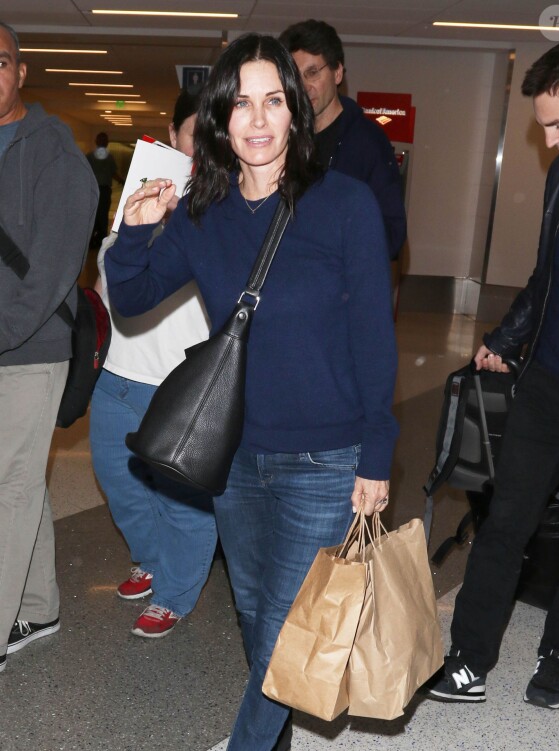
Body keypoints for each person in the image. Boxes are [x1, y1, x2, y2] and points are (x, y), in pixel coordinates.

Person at [105, 33, 398, 751]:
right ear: (219, 121)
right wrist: (135, 231)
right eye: (241, 103)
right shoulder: (204, 214)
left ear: (295, 113)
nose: (258, 119)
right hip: (233, 456)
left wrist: (377, 454)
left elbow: (373, 336)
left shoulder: (344, 204)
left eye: (274, 100)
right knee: (252, 610)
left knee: (279, 631)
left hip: (325, 460)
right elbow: (134, 294)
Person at [427, 34, 559, 710]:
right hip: (548, 382)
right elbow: (546, 278)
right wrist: (508, 339)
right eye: (544, 125)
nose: (548, 140)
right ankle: (469, 657)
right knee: (503, 519)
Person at [90, 89, 217, 639]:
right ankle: (153, 561)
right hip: (117, 370)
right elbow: (110, 274)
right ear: (174, 134)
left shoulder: (223, 210)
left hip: (178, 380)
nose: (206, 144)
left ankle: (177, 591)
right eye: (196, 131)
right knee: (119, 482)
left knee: (182, 497)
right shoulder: (142, 193)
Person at [0, 21, 98, 673]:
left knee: (6, 487)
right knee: (18, 481)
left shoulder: (55, 153)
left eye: (0, 61)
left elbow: (52, 272)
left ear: (21, 72)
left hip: (29, 351)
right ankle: (38, 601)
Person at [279, 18, 406, 260]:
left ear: (337, 73)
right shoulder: (282, 140)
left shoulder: (368, 143)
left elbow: (392, 232)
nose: (304, 87)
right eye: (296, 77)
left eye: (313, 73)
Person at [86, 131, 123, 248]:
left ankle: (94, 239)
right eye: (103, 140)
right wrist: (122, 181)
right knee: (100, 215)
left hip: (97, 190)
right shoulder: (94, 157)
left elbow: (112, 173)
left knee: (96, 214)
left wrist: (122, 180)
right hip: (98, 190)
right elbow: (113, 173)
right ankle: (98, 239)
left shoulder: (91, 156)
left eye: (105, 140)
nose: (104, 142)